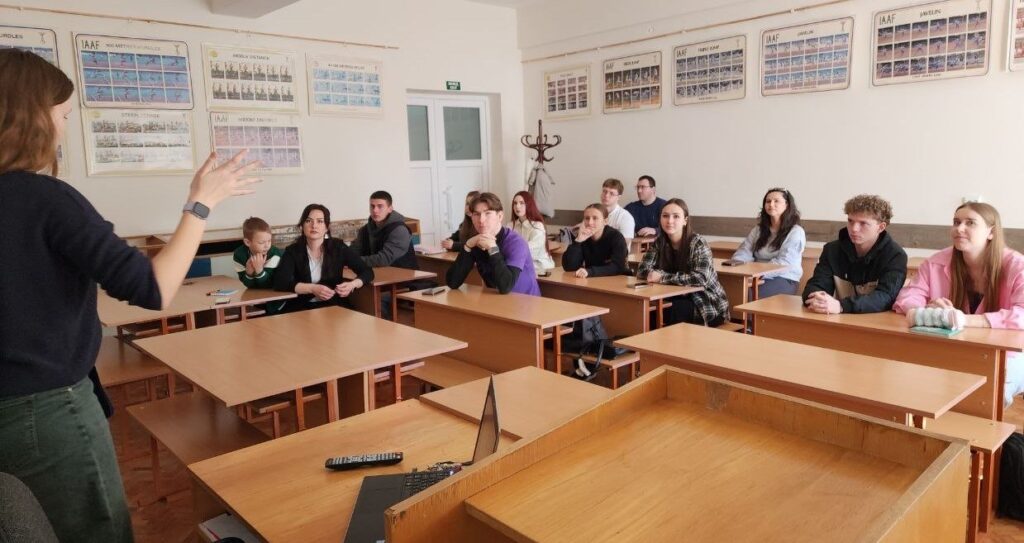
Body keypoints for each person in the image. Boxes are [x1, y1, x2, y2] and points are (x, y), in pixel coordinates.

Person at [0, 49, 259, 543]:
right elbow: (153, 288)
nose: (64, 130)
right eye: (63, 116)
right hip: (46, 414)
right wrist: (201, 204)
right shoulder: (45, 200)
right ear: (32, 118)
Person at [893, 202, 1024, 407]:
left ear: (991, 232)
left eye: (970, 223)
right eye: (956, 222)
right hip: (955, 346)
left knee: (990, 393)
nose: (959, 228)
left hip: (1011, 352)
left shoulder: (1017, 266)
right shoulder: (936, 262)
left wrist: (964, 320)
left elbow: (1021, 315)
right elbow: (908, 296)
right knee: (915, 380)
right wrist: (926, 312)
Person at [803, 194, 907, 314]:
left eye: (863, 223)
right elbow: (816, 286)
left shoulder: (895, 256)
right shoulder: (832, 250)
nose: (854, 229)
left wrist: (841, 306)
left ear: (881, 227)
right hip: (837, 319)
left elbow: (886, 297)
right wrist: (817, 299)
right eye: (850, 221)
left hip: (875, 321)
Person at [636, 198, 729, 326]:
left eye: (676, 216)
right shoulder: (659, 242)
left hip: (705, 302)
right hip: (674, 296)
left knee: (668, 312)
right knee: (646, 310)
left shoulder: (697, 243)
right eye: (665, 216)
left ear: (685, 220)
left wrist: (661, 277)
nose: (669, 221)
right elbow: (642, 270)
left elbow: (700, 278)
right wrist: (657, 276)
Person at [273, 204, 373, 312]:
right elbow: (280, 282)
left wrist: (352, 284)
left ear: (326, 227)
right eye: (308, 221)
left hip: (334, 306)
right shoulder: (293, 251)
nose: (314, 225)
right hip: (302, 308)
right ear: (302, 226)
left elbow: (367, 271)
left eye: (320, 221)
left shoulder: (338, 247)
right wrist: (312, 288)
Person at [446, 193, 540, 295]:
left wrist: (493, 248)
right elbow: (452, 282)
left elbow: (506, 286)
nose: (481, 220)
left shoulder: (516, 243)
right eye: (476, 214)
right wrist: (468, 246)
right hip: (496, 299)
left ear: (500, 216)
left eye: (487, 213)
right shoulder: (476, 241)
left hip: (526, 300)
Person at [731, 188, 806, 297]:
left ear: (787, 205)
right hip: (756, 275)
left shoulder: (796, 231)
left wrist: (757, 274)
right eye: (768, 201)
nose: (771, 204)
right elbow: (744, 251)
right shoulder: (758, 229)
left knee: (747, 294)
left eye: (776, 201)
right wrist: (737, 267)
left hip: (784, 278)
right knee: (731, 288)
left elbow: (784, 263)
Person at [352, 190, 418, 270]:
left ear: (390, 209)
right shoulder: (365, 229)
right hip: (377, 274)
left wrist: (353, 261)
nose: (375, 210)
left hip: (405, 276)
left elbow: (383, 259)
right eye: (372, 206)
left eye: (380, 206)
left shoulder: (399, 230)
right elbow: (353, 251)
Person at [233, 216, 285, 313]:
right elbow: (248, 285)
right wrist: (248, 274)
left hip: (276, 301)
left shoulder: (274, 254)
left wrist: (259, 271)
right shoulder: (239, 255)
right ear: (247, 242)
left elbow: (268, 286)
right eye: (262, 242)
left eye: (269, 241)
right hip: (255, 299)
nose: (267, 245)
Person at [562, 203, 629, 278]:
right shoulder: (583, 237)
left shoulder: (616, 237)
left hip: (617, 279)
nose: (590, 223)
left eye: (595, 218)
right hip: (592, 279)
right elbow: (569, 267)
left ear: (605, 221)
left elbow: (617, 267)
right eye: (587, 218)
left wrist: (590, 271)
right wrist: (578, 241)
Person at [509, 191, 555, 272]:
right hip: (519, 266)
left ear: (529, 205)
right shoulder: (510, 225)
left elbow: (530, 251)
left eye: (521, 203)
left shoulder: (537, 226)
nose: (517, 206)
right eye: (515, 203)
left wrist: (510, 250)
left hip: (540, 267)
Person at [600, 178, 635, 243]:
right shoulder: (594, 212)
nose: (606, 195)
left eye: (611, 193)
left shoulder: (626, 217)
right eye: (604, 191)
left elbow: (623, 244)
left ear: (618, 197)